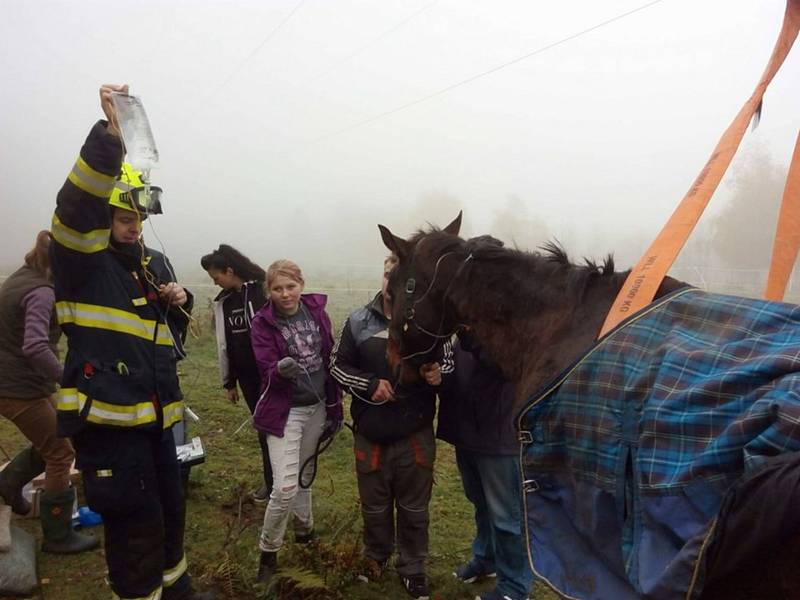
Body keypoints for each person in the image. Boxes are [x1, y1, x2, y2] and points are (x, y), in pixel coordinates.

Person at [49, 83, 213, 600]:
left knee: (169, 517)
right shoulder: (82, 262)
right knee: (135, 529)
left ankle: (177, 590)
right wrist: (110, 139)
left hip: (160, 422)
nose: (133, 227)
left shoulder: (148, 265)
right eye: (124, 217)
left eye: (139, 219)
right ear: (104, 218)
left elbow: (164, 342)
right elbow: (75, 208)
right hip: (111, 427)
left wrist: (178, 301)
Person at [329, 255, 450, 600]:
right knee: (374, 505)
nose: (391, 282)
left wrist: (437, 373)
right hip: (370, 432)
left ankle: (413, 567)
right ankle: (376, 557)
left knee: (414, 508)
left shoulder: (430, 323)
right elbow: (336, 366)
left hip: (415, 434)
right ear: (383, 277)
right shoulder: (357, 321)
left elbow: (449, 365)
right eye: (387, 275)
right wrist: (368, 385)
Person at [437, 237, 533, 600]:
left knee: (507, 516)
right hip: (467, 426)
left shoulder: (511, 314)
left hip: (498, 430)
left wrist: (469, 335)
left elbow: (506, 363)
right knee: (480, 502)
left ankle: (514, 586)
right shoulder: (463, 308)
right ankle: (486, 558)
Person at [0, 231, 98, 554]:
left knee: (58, 433)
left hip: (19, 381)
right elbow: (35, 346)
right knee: (60, 453)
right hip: (17, 387)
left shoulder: (21, 277)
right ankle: (58, 536)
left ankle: (7, 484)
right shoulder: (42, 292)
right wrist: (68, 378)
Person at [250, 259, 343, 584]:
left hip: (316, 408)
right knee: (285, 487)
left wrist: (336, 403)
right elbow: (265, 367)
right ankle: (268, 553)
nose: (285, 294)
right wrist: (278, 371)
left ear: (301, 285)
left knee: (304, 476)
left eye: (291, 286)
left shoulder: (316, 312)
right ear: (269, 291)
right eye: (278, 288)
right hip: (284, 412)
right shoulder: (262, 322)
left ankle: (305, 534)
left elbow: (330, 354)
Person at [201, 245, 272, 502]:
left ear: (229, 271)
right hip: (246, 379)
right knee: (263, 427)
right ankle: (271, 481)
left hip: (271, 375)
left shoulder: (261, 291)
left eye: (216, 276)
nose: (215, 282)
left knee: (276, 428)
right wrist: (229, 382)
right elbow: (226, 344)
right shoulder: (225, 303)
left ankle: (282, 481)